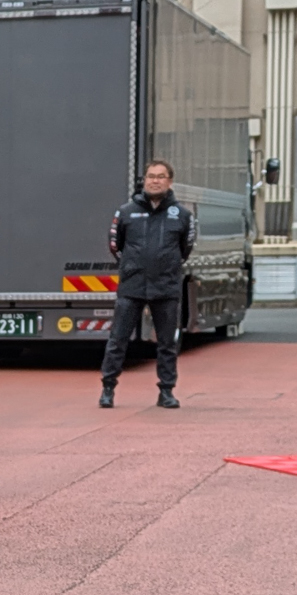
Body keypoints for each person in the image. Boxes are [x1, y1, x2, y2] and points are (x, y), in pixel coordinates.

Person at [101, 159, 194, 409]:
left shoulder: (182, 215)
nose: (155, 180)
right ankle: (108, 389)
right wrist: (131, 266)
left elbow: (185, 249)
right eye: (151, 176)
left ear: (170, 181)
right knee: (118, 339)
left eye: (161, 176)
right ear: (144, 180)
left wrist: (167, 267)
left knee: (167, 343)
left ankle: (166, 392)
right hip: (132, 286)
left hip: (166, 287)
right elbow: (115, 246)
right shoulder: (126, 212)